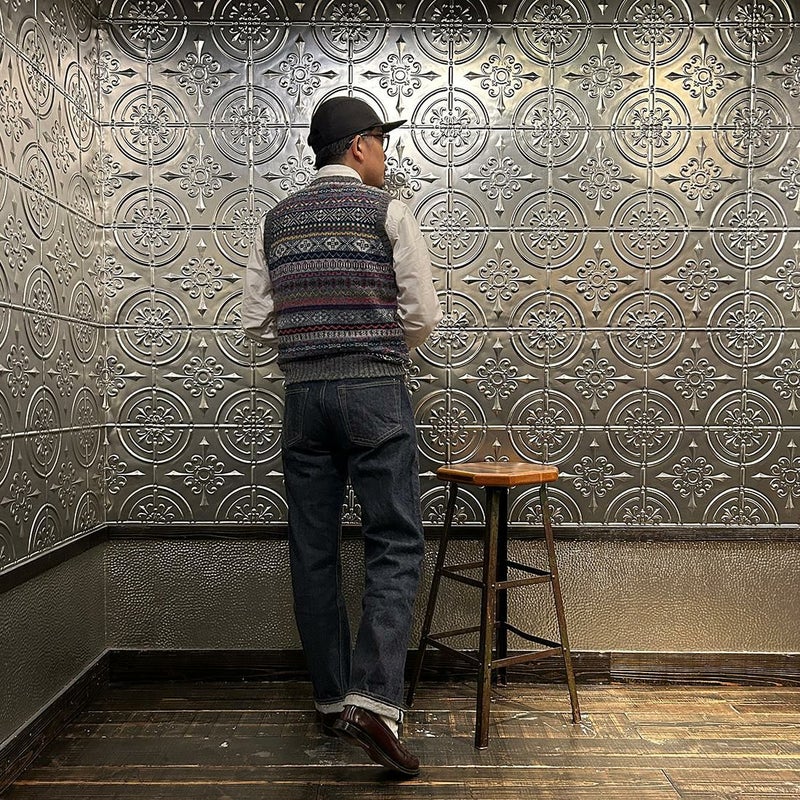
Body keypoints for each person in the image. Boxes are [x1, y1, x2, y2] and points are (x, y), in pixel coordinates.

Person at [242, 94, 442, 777]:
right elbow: (422, 313)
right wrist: (377, 353)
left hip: (303, 399)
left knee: (313, 548)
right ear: (359, 146)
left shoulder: (275, 219)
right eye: (381, 143)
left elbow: (255, 320)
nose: (385, 155)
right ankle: (374, 703)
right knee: (394, 541)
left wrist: (309, 345)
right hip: (375, 393)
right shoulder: (389, 212)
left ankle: (331, 699)